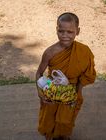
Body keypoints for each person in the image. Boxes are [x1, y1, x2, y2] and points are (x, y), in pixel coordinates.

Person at [36, 12, 96, 140]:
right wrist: (40, 92)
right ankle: (50, 136)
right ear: (56, 30)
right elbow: (39, 73)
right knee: (49, 120)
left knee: (66, 121)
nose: (65, 36)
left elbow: (87, 74)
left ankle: (64, 136)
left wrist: (77, 92)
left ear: (77, 31)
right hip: (52, 91)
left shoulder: (83, 51)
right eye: (61, 31)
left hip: (71, 92)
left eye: (70, 32)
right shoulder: (49, 52)